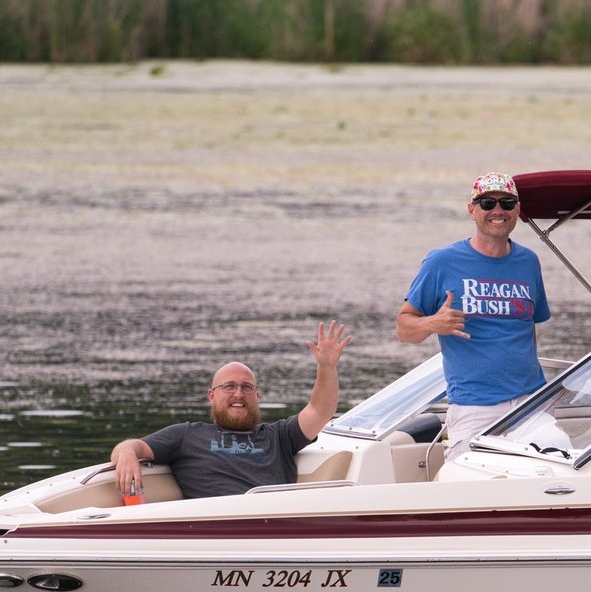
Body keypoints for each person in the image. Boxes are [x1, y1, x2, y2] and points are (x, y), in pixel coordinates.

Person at [396, 172, 551, 460]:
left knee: (558, 466)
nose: (497, 211)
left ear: (517, 210)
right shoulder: (442, 262)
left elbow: (527, 328)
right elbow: (404, 328)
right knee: (465, 482)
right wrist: (433, 324)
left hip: (531, 402)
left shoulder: (529, 261)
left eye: (506, 203)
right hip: (473, 405)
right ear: (472, 210)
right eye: (487, 202)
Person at [110, 320, 352, 500]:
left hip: (275, 525)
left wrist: (327, 367)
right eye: (229, 387)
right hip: (218, 527)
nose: (238, 394)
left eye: (246, 387)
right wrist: (128, 454)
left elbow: (321, 410)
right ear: (212, 396)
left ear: (257, 396)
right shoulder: (186, 435)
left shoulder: (279, 436)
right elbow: (131, 446)